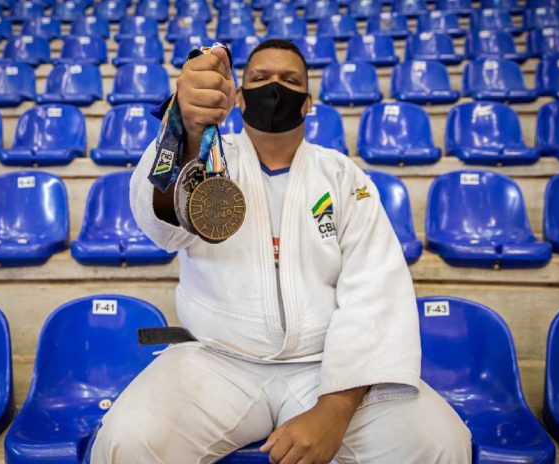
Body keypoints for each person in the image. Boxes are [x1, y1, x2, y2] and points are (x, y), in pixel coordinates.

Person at [91, 39, 472, 464]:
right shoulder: (209, 163)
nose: (274, 87)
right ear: (238, 96)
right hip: (216, 359)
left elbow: (375, 289)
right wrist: (190, 130)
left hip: (325, 367)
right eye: (260, 78)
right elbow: (160, 223)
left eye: (289, 80)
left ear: (307, 103)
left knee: (439, 442)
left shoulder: (343, 177)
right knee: (127, 441)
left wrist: (335, 408)